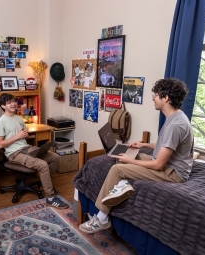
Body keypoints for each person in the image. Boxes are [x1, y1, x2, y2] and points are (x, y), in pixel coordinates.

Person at [79, 78, 194, 233]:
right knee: (124, 154)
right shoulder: (176, 117)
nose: (153, 98)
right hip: (167, 164)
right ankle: (121, 185)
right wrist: (143, 145)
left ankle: (101, 218)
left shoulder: (175, 125)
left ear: (166, 98)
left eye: (156, 95)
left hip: (173, 173)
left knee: (117, 169)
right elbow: (167, 145)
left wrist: (127, 162)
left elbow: (158, 165)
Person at [0, 93, 69, 209]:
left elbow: (25, 135)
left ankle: (45, 184)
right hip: (14, 154)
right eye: (9, 103)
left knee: (54, 157)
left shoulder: (18, 119)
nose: (13, 104)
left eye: (13, 101)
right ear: (3, 106)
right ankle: (50, 197)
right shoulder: (0, 122)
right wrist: (18, 136)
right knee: (43, 165)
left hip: (26, 148)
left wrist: (24, 135)